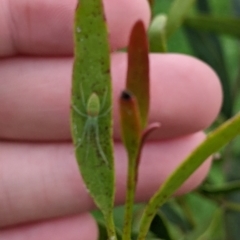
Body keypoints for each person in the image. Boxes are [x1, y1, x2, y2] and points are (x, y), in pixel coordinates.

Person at [0, 0, 222, 239]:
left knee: (92, 136)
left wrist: (92, 104)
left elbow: (90, 112)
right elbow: (85, 111)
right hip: (91, 109)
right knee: (91, 136)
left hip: (93, 108)